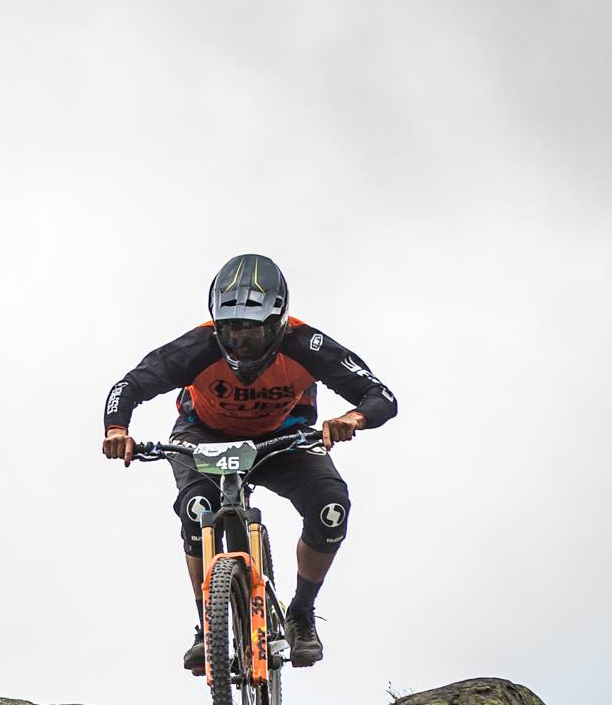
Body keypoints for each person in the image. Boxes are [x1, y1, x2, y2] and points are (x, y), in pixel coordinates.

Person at [100, 253, 397, 673]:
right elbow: (128, 385)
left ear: (278, 324)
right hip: (202, 435)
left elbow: (381, 396)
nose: (240, 343)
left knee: (331, 507)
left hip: (284, 437)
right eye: (230, 331)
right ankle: (209, 624)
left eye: (253, 334)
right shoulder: (197, 346)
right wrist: (117, 430)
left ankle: (301, 613)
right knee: (197, 508)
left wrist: (353, 418)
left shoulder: (306, 345)